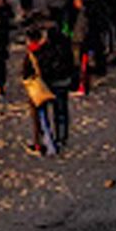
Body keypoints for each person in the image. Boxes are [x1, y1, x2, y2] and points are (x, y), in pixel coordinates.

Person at [22, 26, 73, 154]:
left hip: (47, 85)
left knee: (42, 116)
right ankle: (61, 138)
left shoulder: (38, 51)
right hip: (63, 82)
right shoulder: (65, 48)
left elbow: (28, 71)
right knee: (61, 112)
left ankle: (47, 142)